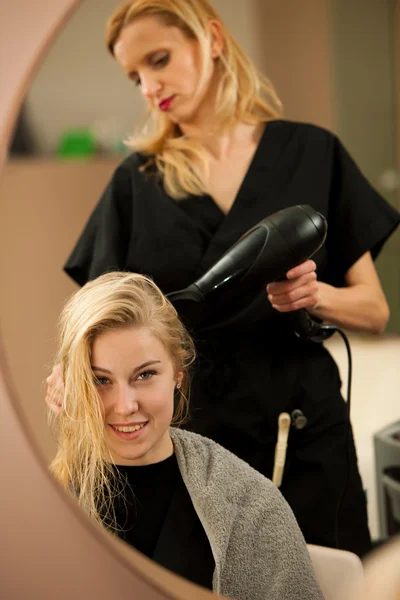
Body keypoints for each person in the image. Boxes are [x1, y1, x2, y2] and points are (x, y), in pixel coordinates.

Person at [46, 0, 400, 557]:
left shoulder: (312, 152)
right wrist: (67, 375)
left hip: (301, 426)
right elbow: (96, 317)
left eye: (158, 60)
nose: (148, 86)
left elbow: (375, 311)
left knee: (331, 574)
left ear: (211, 39)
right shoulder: (137, 182)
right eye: (134, 76)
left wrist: (318, 296)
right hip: (192, 440)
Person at [48, 270, 324, 600]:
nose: (125, 406)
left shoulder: (249, 504)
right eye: (100, 380)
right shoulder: (45, 504)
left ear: (178, 374)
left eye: (145, 375)